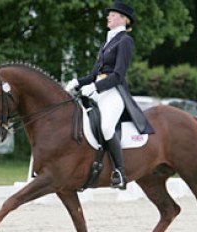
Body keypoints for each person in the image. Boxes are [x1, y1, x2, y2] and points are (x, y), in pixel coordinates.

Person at [66, 1, 154, 190]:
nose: (108, 17)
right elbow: (93, 74)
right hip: (98, 91)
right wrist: (78, 82)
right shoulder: (107, 42)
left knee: (106, 127)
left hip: (114, 92)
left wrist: (96, 87)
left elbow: (118, 75)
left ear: (124, 19)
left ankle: (120, 172)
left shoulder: (125, 41)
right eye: (109, 15)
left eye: (112, 15)